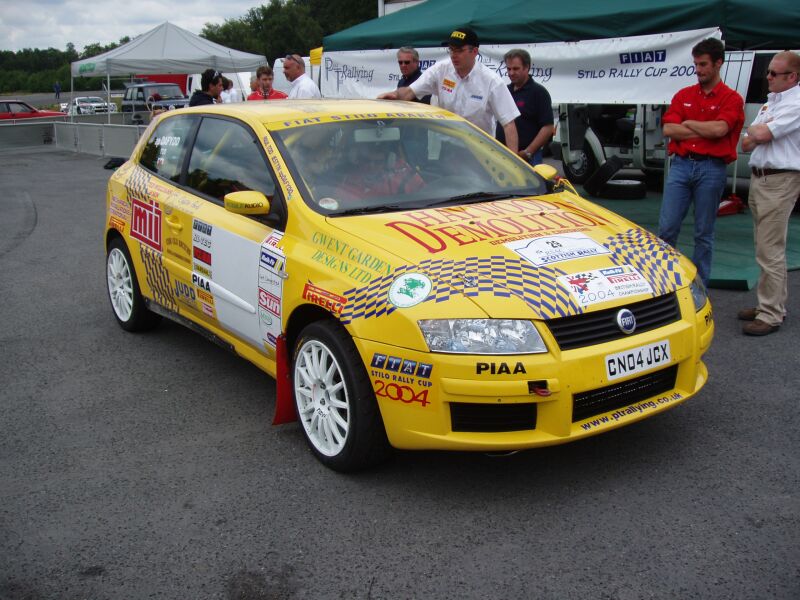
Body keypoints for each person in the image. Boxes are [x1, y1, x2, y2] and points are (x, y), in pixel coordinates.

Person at [657, 37, 744, 287]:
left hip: (711, 167)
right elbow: (668, 130)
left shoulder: (731, 98)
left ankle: (701, 286)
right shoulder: (684, 94)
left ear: (718, 63)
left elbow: (720, 130)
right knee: (667, 228)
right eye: (696, 64)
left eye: (703, 64)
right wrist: (701, 130)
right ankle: (665, 282)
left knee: (703, 233)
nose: (698, 70)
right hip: (682, 164)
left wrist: (688, 125)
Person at [737, 51, 800, 336]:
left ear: (792, 77)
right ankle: (771, 304)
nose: (768, 77)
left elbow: (758, 136)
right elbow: (749, 143)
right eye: (769, 72)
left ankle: (771, 313)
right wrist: (757, 131)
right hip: (762, 178)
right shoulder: (773, 102)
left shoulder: (796, 102)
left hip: (779, 180)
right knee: (765, 246)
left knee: (770, 249)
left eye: (775, 73)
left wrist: (757, 130)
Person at [378, 27, 519, 153]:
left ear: (474, 51)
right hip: (447, 149)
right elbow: (409, 92)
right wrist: (395, 94)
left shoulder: (491, 81)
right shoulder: (441, 70)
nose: (453, 55)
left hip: (480, 151)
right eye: (451, 49)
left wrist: (514, 168)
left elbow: (509, 124)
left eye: (459, 50)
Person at [496, 49, 554, 165]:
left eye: (516, 68)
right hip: (502, 156)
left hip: (528, 159)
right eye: (508, 69)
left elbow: (548, 127)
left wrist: (528, 152)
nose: (511, 73)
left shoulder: (539, 92)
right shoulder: (505, 91)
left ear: (527, 67)